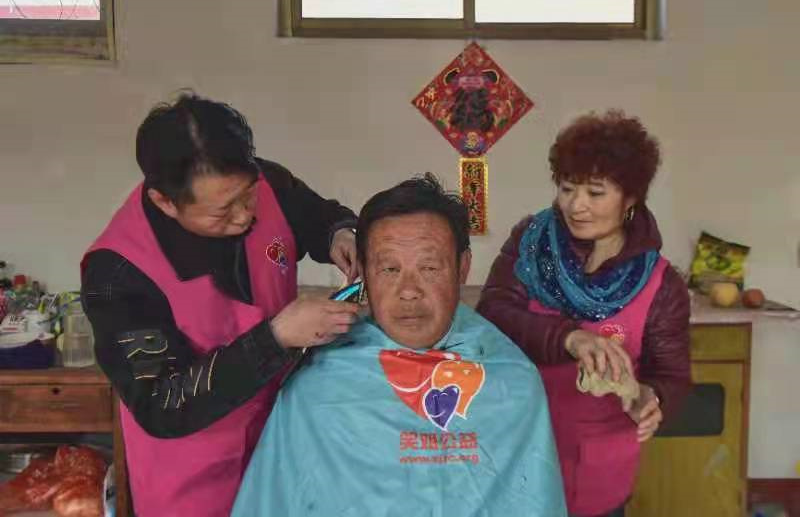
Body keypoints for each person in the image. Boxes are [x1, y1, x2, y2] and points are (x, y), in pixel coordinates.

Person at [80, 93, 360, 517]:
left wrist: (339, 233)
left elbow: (316, 215)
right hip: (193, 475)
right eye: (222, 211)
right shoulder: (118, 273)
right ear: (164, 201)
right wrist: (277, 337)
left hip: (278, 443)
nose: (245, 215)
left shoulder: (264, 182)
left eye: (248, 196)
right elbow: (160, 402)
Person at [232, 174, 567, 516]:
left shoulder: (512, 382)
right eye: (390, 269)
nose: (409, 291)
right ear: (364, 272)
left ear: (462, 268)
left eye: (429, 267)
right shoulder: (318, 388)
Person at [476, 110, 692, 517]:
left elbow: (672, 376)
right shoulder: (531, 243)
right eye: (567, 188)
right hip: (515, 444)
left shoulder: (661, 284)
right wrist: (569, 338)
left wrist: (654, 398)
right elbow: (493, 314)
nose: (576, 205)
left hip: (597, 468)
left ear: (630, 198)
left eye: (595, 193)